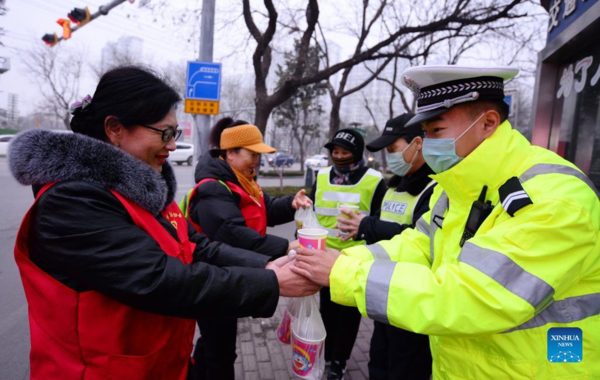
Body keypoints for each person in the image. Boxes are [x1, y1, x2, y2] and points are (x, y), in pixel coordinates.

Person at [8, 66, 318, 380]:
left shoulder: (146, 189)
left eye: (176, 134)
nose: (172, 145)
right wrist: (271, 284)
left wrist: (267, 266)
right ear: (115, 128)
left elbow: (197, 247)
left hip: (163, 365)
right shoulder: (71, 202)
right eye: (165, 133)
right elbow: (157, 279)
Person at [291, 65, 600, 379]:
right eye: (424, 133)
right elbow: (420, 244)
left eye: (436, 131)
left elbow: (475, 295)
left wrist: (344, 274)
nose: (427, 143)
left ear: (488, 123)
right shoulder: (459, 186)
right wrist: (335, 259)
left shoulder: (555, 196)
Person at [182, 118, 312, 380]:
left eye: (258, 155)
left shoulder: (244, 180)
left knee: (213, 343)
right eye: (252, 154)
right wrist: (285, 247)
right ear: (230, 153)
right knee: (222, 352)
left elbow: (265, 210)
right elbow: (232, 233)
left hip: (232, 272)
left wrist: (291, 204)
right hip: (214, 279)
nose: (256, 161)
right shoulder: (212, 188)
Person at [337, 113, 434, 380]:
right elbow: (384, 229)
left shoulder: (436, 190)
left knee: (406, 369)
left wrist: (368, 226)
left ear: (418, 144)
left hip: (414, 299)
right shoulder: (394, 187)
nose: (389, 157)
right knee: (379, 362)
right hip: (385, 293)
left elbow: (421, 238)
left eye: (393, 149)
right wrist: (359, 231)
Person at [309, 128, 387, 380]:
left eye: (345, 152)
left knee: (348, 315)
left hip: (355, 259)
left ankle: (339, 362)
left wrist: (363, 230)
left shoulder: (375, 181)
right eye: (335, 151)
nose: (339, 156)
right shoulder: (321, 176)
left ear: (357, 153)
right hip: (324, 255)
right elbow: (311, 210)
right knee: (327, 310)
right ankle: (328, 354)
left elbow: (379, 218)